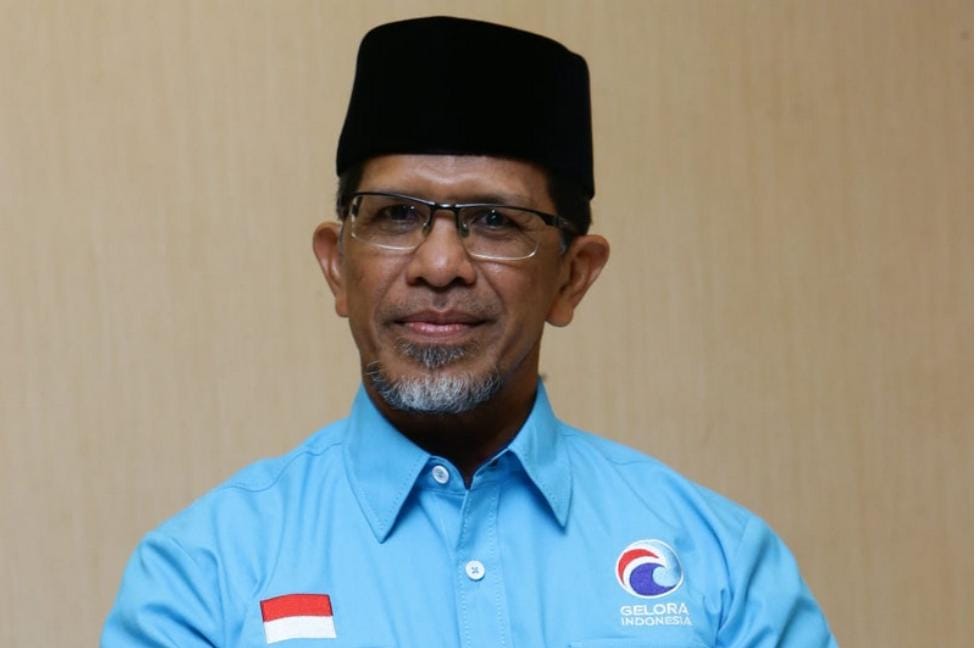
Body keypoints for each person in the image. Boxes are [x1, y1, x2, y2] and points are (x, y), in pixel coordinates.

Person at [102, 16, 837, 647]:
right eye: (396, 214)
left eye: (494, 220)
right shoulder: (204, 577)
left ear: (572, 277)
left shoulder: (721, 567)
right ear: (336, 267)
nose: (440, 265)